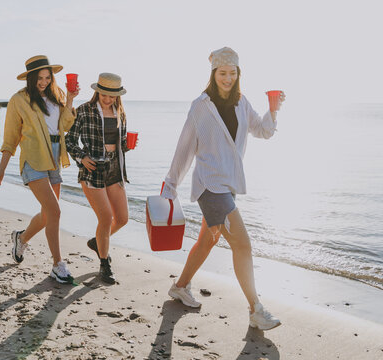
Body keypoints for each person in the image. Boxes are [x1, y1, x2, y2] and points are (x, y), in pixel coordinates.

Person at [161, 47, 285, 330]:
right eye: (222, 73)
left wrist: (273, 110)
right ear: (213, 74)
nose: (227, 78)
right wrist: (171, 185)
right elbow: (185, 147)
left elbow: (262, 131)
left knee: (208, 239)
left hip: (228, 187)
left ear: (238, 74)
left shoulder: (242, 103)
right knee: (242, 244)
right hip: (209, 185)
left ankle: (180, 287)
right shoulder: (200, 106)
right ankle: (256, 309)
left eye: (232, 73)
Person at [0, 55, 79, 284]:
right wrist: (1, 170)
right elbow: (10, 138)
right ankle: (58, 265)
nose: (44, 82)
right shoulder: (18, 100)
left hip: (54, 159)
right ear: (30, 78)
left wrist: (69, 99)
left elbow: (67, 125)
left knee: (48, 213)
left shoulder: (56, 96)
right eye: (39, 78)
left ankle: (21, 238)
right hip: (32, 159)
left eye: (47, 78)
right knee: (55, 212)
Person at [65, 73, 134, 284]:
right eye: (104, 94)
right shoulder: (84, 111)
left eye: (112, 96)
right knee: (105, 218)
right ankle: (104, 264)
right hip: (92, 169)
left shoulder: (120, 113)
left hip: (115, 168)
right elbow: (69, 140)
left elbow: (120, 144)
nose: (108, 99)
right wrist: (81, 157)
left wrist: (128, 146)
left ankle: (98, 242)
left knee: (122, 219)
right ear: (98, 91)